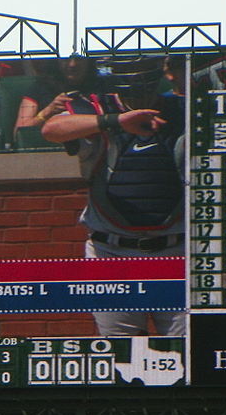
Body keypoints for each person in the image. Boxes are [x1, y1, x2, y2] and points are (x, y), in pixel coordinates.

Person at [41, 55, 186, 336]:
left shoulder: (182, 109)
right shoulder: (94, 108)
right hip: (112, 251)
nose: (136, 82)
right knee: (122, 357)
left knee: (186, 354)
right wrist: (115, 121)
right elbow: (50, 129)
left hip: (175, 250)